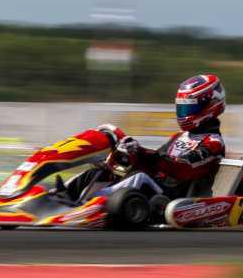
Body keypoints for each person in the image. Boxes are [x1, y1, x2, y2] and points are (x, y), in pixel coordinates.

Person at [96, 73, 227, 201]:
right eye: (182, 107)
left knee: (139, 178)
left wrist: (143, 153)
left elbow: (183, 169)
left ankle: (97, 201)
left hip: (176, 196)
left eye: (190, 107)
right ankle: (86, 197)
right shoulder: (180, 136)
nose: (184, 113)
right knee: (105, 172)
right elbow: (157, 162)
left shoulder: (213, 143)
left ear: (211, 105)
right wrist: (134, 154)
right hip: (159, 188)